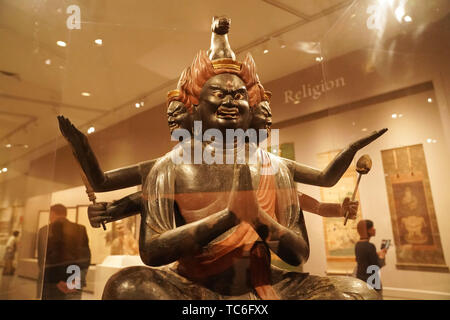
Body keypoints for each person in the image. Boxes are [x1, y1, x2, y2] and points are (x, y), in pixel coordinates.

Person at [57, 16, 387, 300]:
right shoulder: (170, 165)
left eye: (239, 94)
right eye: (219, 93)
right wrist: (229, 218)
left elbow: (298, 254)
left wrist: (259, 219)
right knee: (126, 287)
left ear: (253, 108)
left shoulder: (274, 167)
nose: (230, 100)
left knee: (359, 292)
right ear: (193, 107)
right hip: (193, 285)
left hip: (263, 282)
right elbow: (153, 251)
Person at [37, 204, 91, 300]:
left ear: (52, 213)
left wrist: (57, 280)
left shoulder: (44, 231)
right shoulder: (80, 229)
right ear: (65, 214)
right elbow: (84, 258)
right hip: (74, 279)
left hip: (51, 281)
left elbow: (42, 260)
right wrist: (73, 280)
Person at [355, 219, 387, 298]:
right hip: (372, 282)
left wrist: (376, 254)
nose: (374, 229)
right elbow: (375, 266)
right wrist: (382, 256)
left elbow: (365, 259)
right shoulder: (370, 246)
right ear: (367, 230)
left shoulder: (358, 245)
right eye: (372, 228)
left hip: (361, 281)